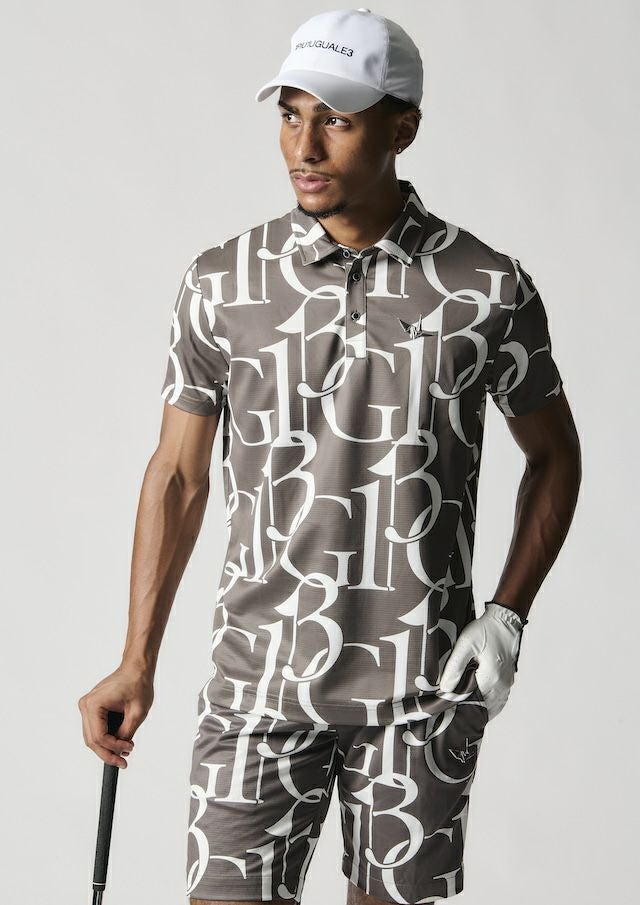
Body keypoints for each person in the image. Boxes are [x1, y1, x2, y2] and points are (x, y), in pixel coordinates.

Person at [78, 8, 581, 904]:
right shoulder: (222, 281)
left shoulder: (485, 287)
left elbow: (554, 455)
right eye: (290, 115)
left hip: (421, 693)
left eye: (337, 121)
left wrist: (507, 615)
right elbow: (179, 474)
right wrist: (136, 659)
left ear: (403, 129)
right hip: (257, 685)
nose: (304, 147)